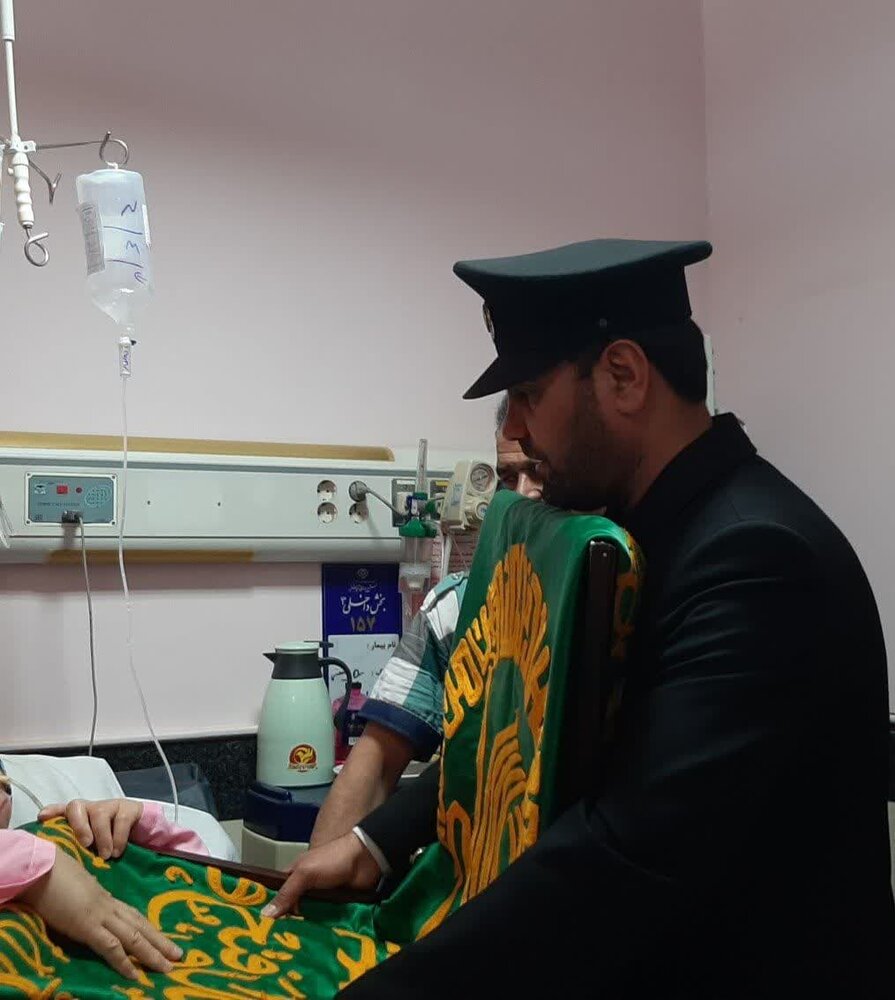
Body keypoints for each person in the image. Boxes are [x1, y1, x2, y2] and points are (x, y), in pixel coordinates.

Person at [262, 238, 895, 997]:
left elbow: (622, 859)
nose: (517, 431)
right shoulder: (627, 540)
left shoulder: (753, 559)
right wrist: (375, 841)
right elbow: (524, 738)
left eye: (530, 392)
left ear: (624, 376)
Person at [309, 401, 544, 847]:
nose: (523, 495)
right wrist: (317, 876)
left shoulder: (617, 592)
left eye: (540, 470)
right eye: (508, 478)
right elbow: (375, 765)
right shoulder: (458, 607)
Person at [0, 768, 208, 983]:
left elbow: (208, 882)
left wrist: (144, 834)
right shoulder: (33, 852)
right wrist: (30, 860)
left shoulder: (67, 834)